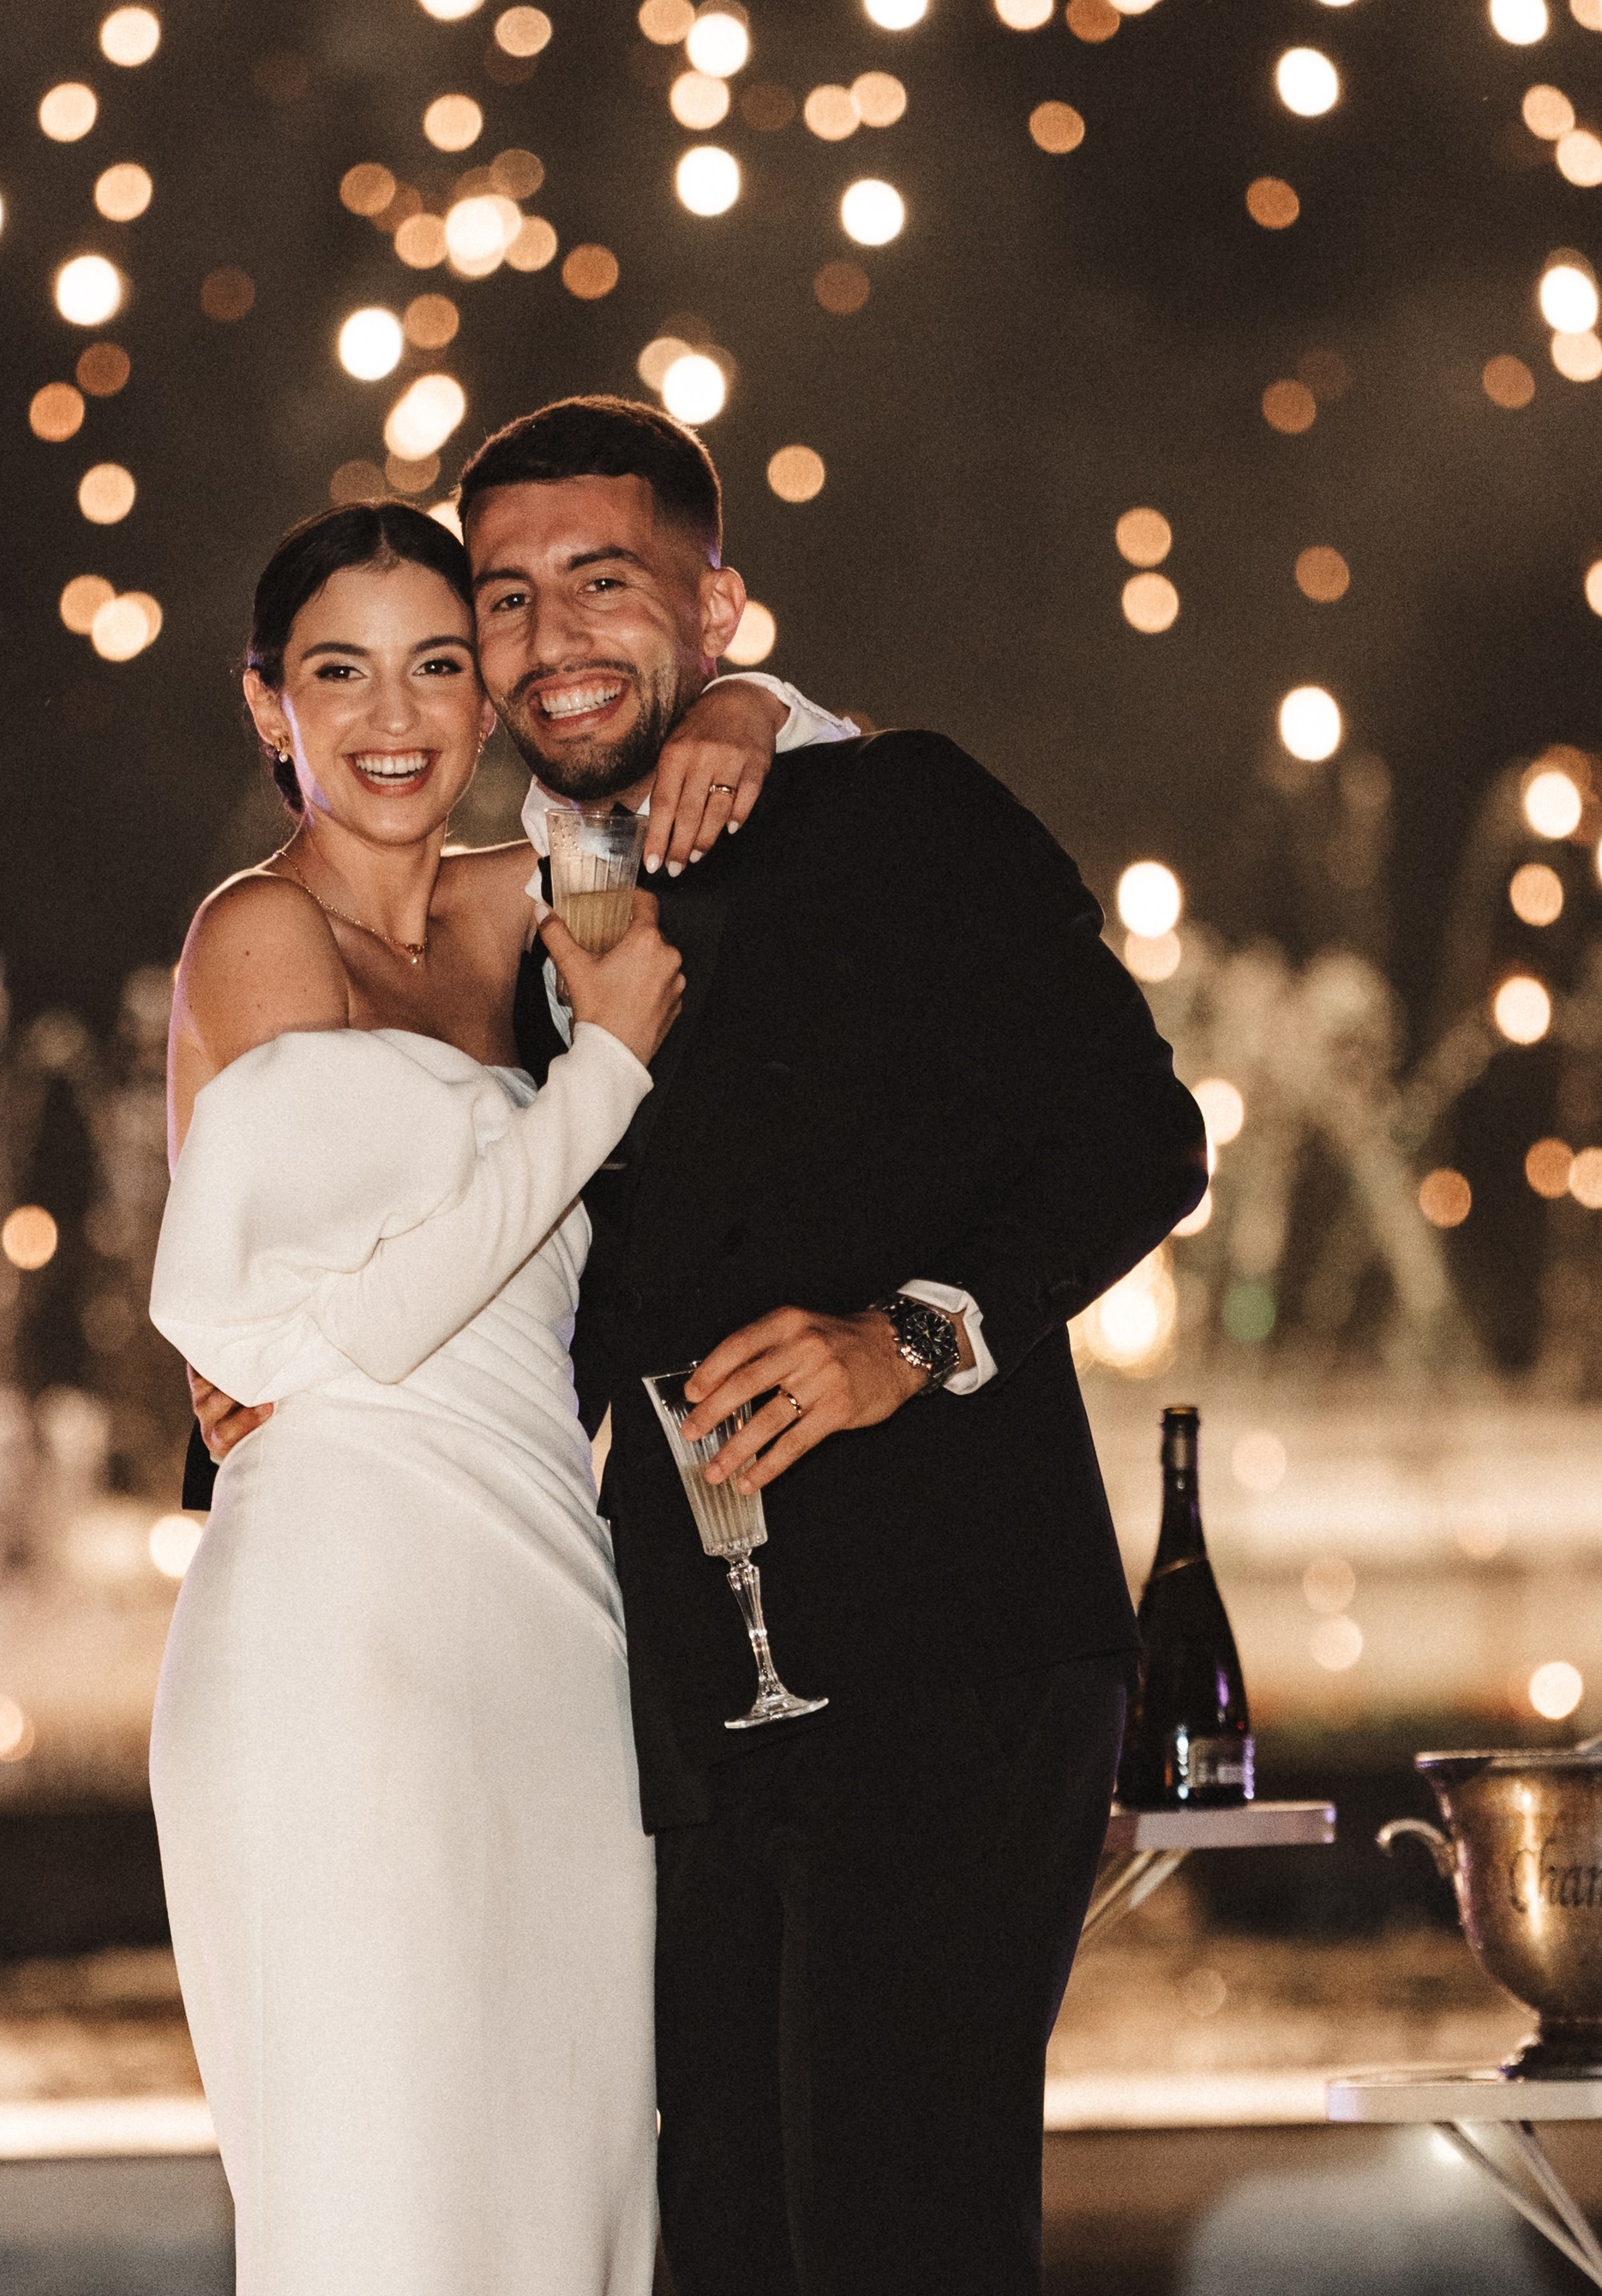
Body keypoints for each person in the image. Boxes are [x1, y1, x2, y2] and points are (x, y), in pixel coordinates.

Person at [442, 395, 1210, 2296]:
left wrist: (909, 1337)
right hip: (690, 1678)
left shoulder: (901, 812)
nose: (552, 641)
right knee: (726, 2241)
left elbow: (1138, 1137)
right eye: (508, 598)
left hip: (959, 1644)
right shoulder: (505, 926)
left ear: (716, 613)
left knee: (895, 2218)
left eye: (601, 585)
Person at [147, 499, 812, 2296]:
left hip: (541, 1631)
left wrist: (749, 705)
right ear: (263, 705)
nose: (394, 714)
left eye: (440, 663)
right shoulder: (258, 939)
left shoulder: (531, 893)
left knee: (565, 2191)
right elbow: (373, 1318)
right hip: (342, 1637)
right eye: (337, 670)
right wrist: (600, 1075)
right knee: (390, 2197)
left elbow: (769, 821)